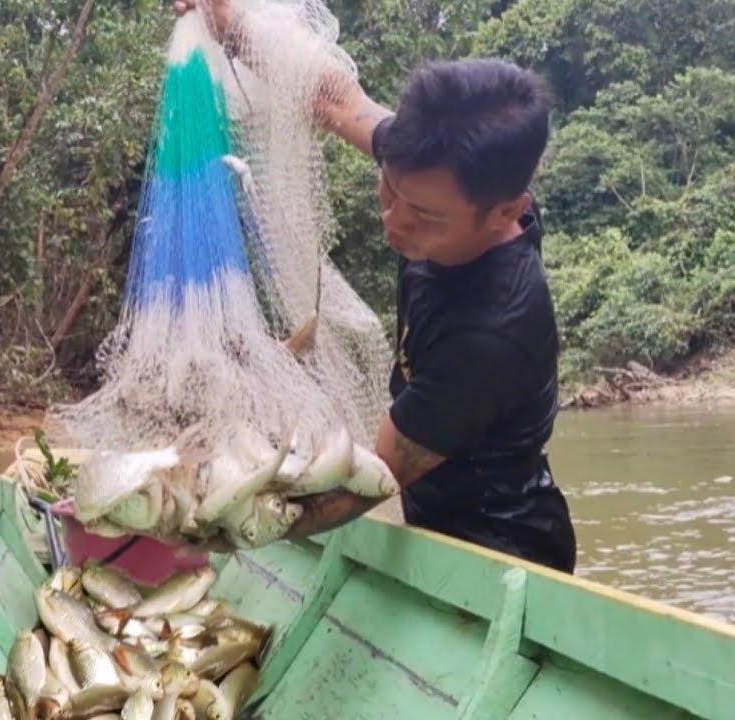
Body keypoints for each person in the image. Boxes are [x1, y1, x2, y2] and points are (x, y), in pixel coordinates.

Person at [173, 0, 577, 574]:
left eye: (424, 216)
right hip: (432, 520)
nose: (393, 220)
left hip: (507, 549)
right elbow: (339, 102)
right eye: (389, 189)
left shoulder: (491, 335)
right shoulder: (433, 165)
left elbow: (369, 479)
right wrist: (228, 23)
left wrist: (209, 526)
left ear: (506, 209)